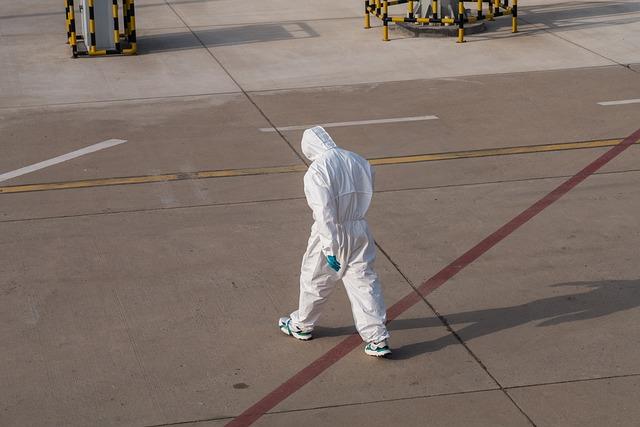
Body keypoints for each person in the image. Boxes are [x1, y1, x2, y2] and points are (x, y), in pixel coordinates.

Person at [278, 126, 391, 357]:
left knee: (315, 280)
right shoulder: (357, 160)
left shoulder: (317, 170)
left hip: (331, 234)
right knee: (364, 283)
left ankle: (302, 324)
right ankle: (377, 338)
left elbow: (324, 213)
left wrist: (330, 247)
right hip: (359, 229)